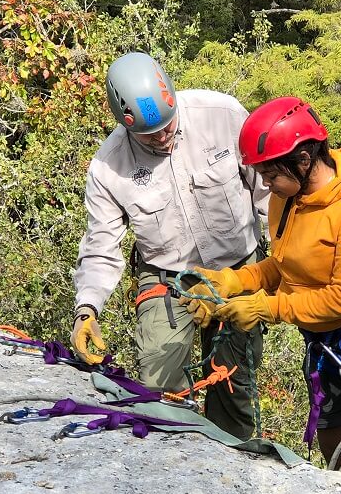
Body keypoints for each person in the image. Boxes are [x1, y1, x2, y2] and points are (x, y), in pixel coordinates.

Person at [187, 97, 341, 494]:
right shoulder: (287, 200)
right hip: (324, 338)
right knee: (336, 457)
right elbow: (283, 266)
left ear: (303, 158)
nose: (264, 184)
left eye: (269, 172)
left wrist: (267, 307)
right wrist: (233, 281)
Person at [69, 51, 269, 441]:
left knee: (233, 386)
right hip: (167, 276)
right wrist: (86, 308)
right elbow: (101, 244)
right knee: (160, 391)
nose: (164, 138)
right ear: (124, 124)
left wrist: (288, 265)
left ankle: (231, 471)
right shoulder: (109, 167)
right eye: (150, 134)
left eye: (168, 126)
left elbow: (269, 193)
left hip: (237, 267)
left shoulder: (222, 115)